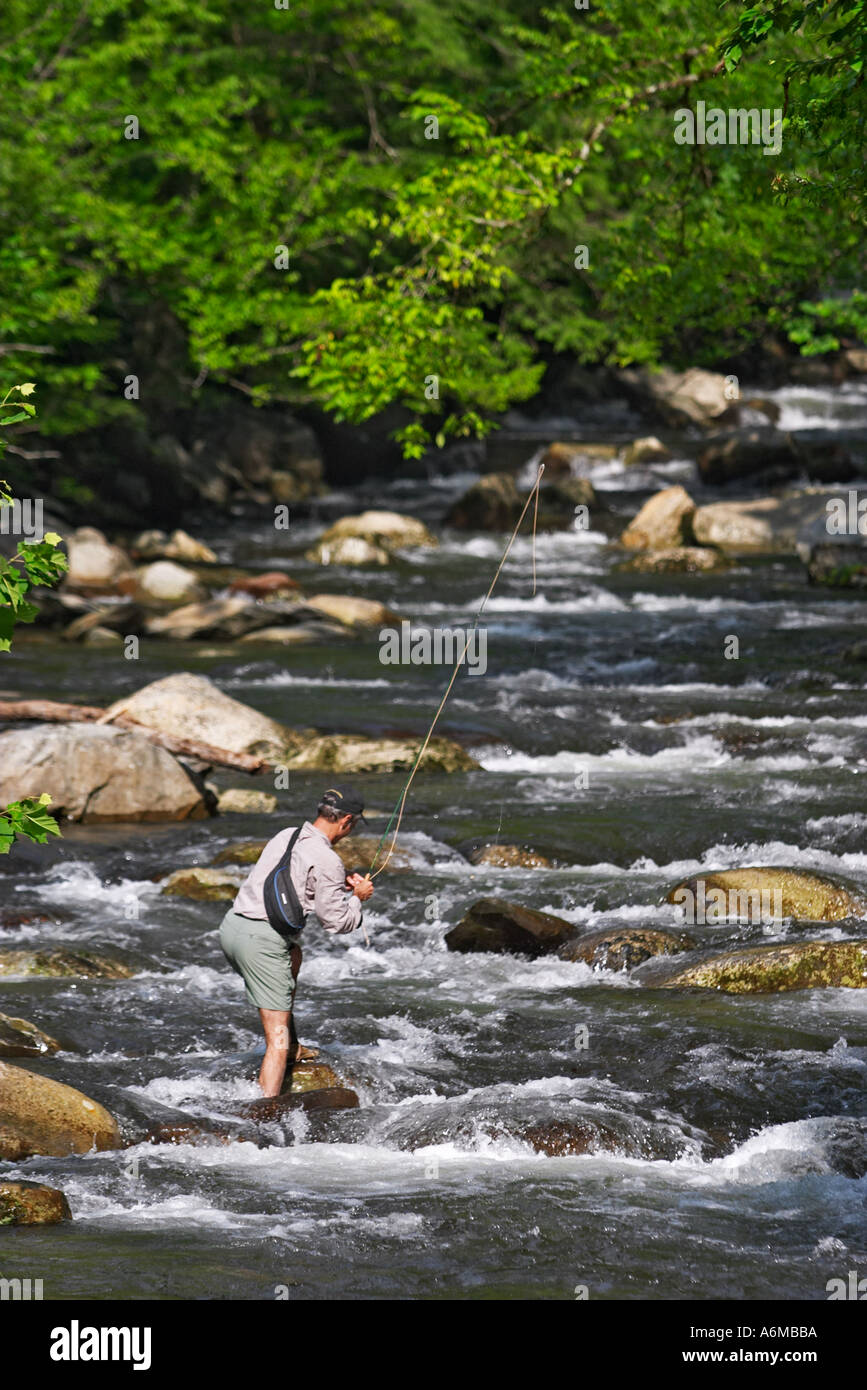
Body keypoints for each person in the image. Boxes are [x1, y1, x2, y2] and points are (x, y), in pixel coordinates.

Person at [218, 785, 374, 1097]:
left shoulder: (286, 835)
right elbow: (337, 923)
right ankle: (265, 1115)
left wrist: (334, 884)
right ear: (346, 821)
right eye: (353, 825)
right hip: (260, 942)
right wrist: (357, 898)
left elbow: (288, 877)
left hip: (232, 928)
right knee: (274, 1038)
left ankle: (293, 1047)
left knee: (294, 955)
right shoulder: (327, 859)